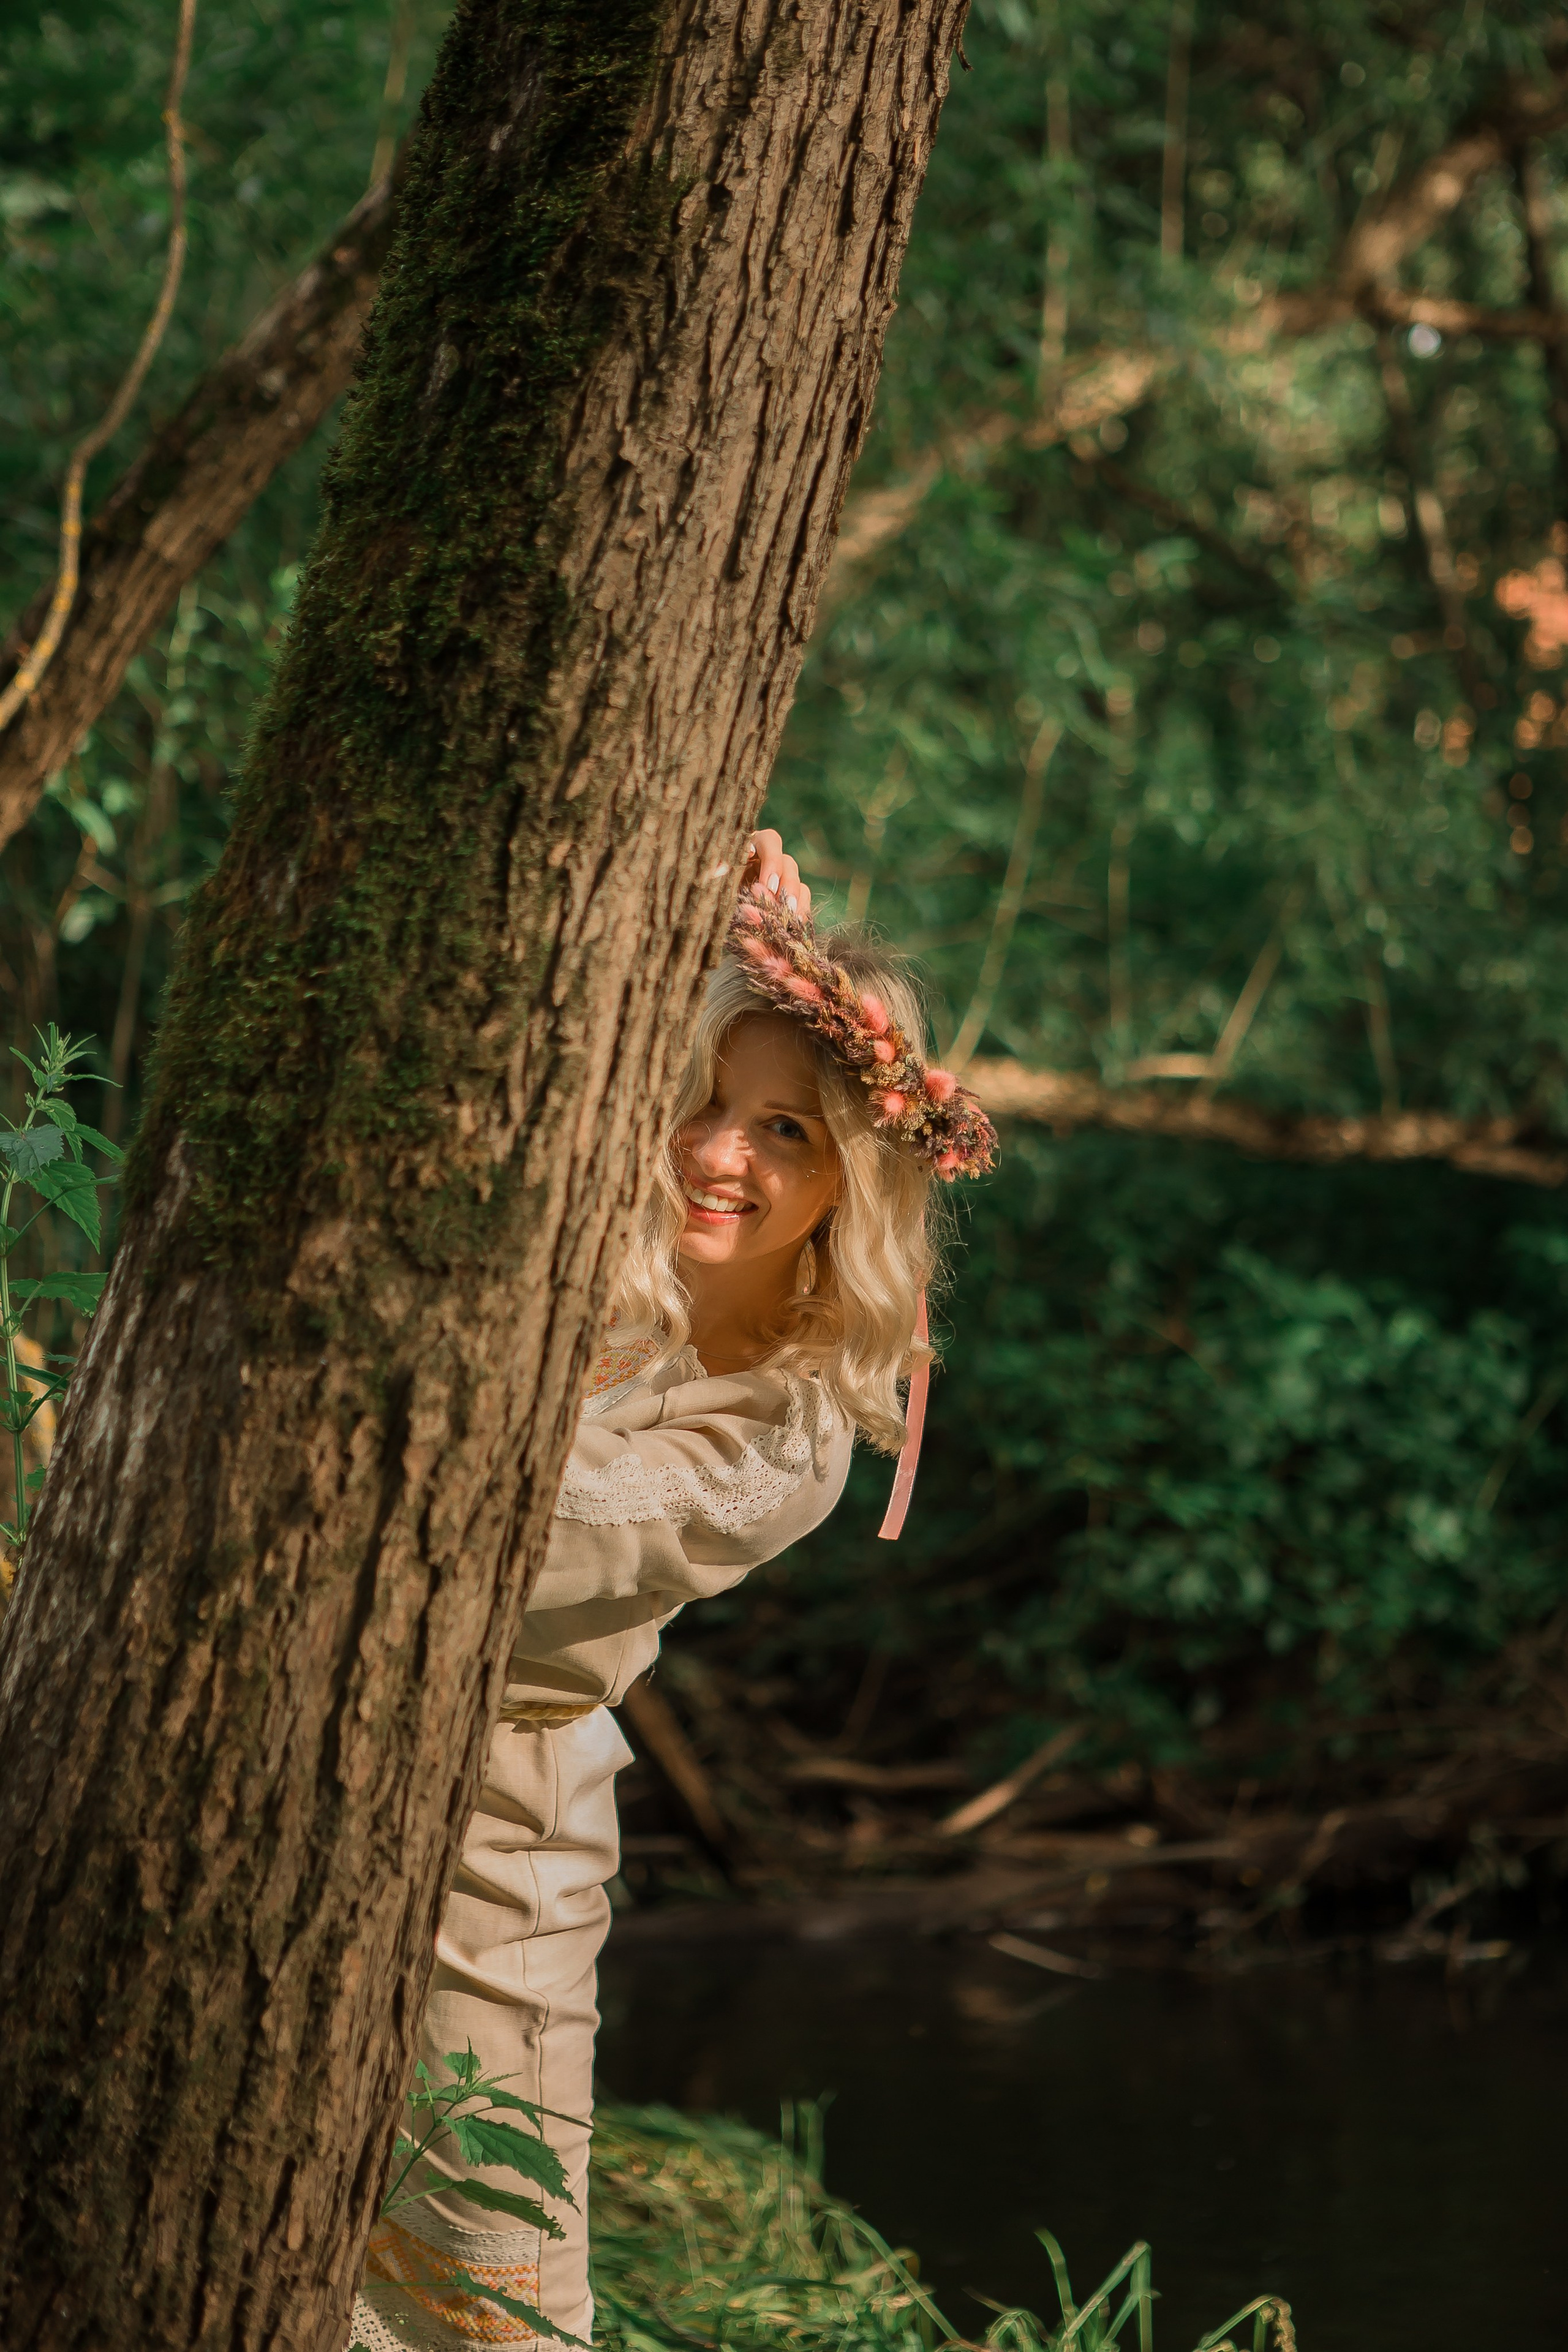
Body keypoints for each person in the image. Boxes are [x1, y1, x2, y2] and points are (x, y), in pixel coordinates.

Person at [348, 833, 996, 2352]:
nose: (723, 1154)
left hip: (491, 1846)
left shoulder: (789, 1435)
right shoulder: (548, 1253)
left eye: (786, 1129)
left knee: (489, 2305)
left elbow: (489, 1542)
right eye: (699, 1099)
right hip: (263, 1773)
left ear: (853, 1177)